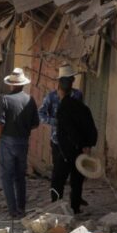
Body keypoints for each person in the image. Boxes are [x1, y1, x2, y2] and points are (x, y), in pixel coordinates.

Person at [0, 68, 39, 219]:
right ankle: (21, 208)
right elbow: (35, 124)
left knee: (6, 176)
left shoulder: (5, 99)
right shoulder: (30, 100)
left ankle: (13, 210)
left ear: (11, 84)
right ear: (23, 84)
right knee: (20, 176)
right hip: (23, 142)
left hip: (7, 141)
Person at [39, 64, 85, 205]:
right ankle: (56, 202)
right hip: (58, 142)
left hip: (74, 142)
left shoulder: (77, 95)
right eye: (65, 80)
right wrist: (55, 122)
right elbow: (41, 114)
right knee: (58, 174)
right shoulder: (51, 97)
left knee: (77, 174)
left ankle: (75, 202)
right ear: (59, 81)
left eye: (70, 80)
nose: (68, 83)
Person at [56, 79, 98, 214]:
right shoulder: (82, 107)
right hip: (80, 150)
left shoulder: (62, 108)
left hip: (66, 150)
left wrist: (77, 142)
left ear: (59, 89)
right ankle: (75, 207)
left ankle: (56, 206)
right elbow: (91, 127)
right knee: (77, 180)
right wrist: (88, 144)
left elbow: (68, 130)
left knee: (58, 179)